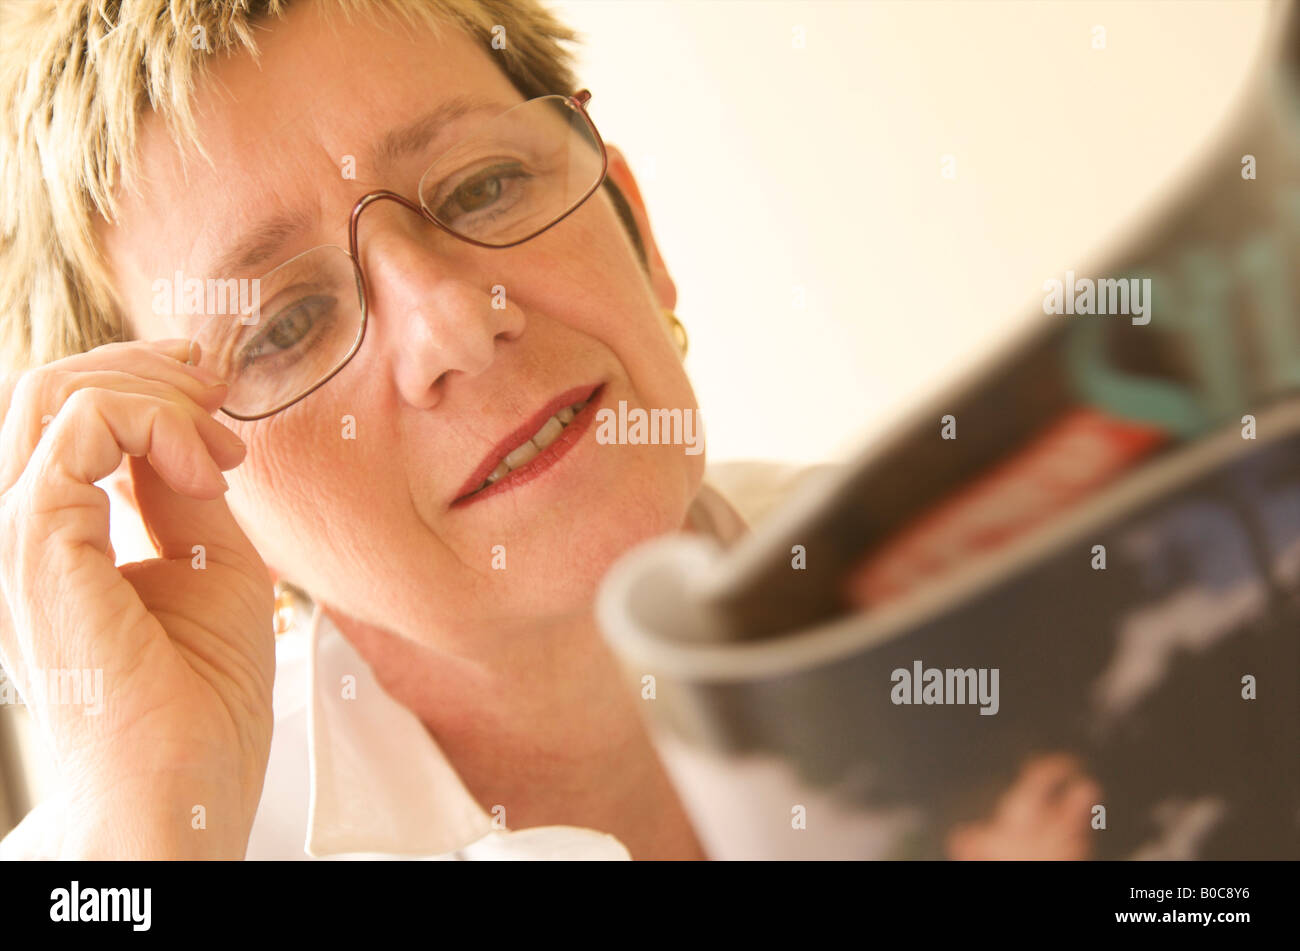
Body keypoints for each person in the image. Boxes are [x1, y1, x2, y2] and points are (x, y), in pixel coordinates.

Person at [0, 0, 829, 859]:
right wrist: (150, 819)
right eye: (285, 327)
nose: (457, 329)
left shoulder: (956, 576)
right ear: (180, 496)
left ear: (637, 230)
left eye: (483, 188)